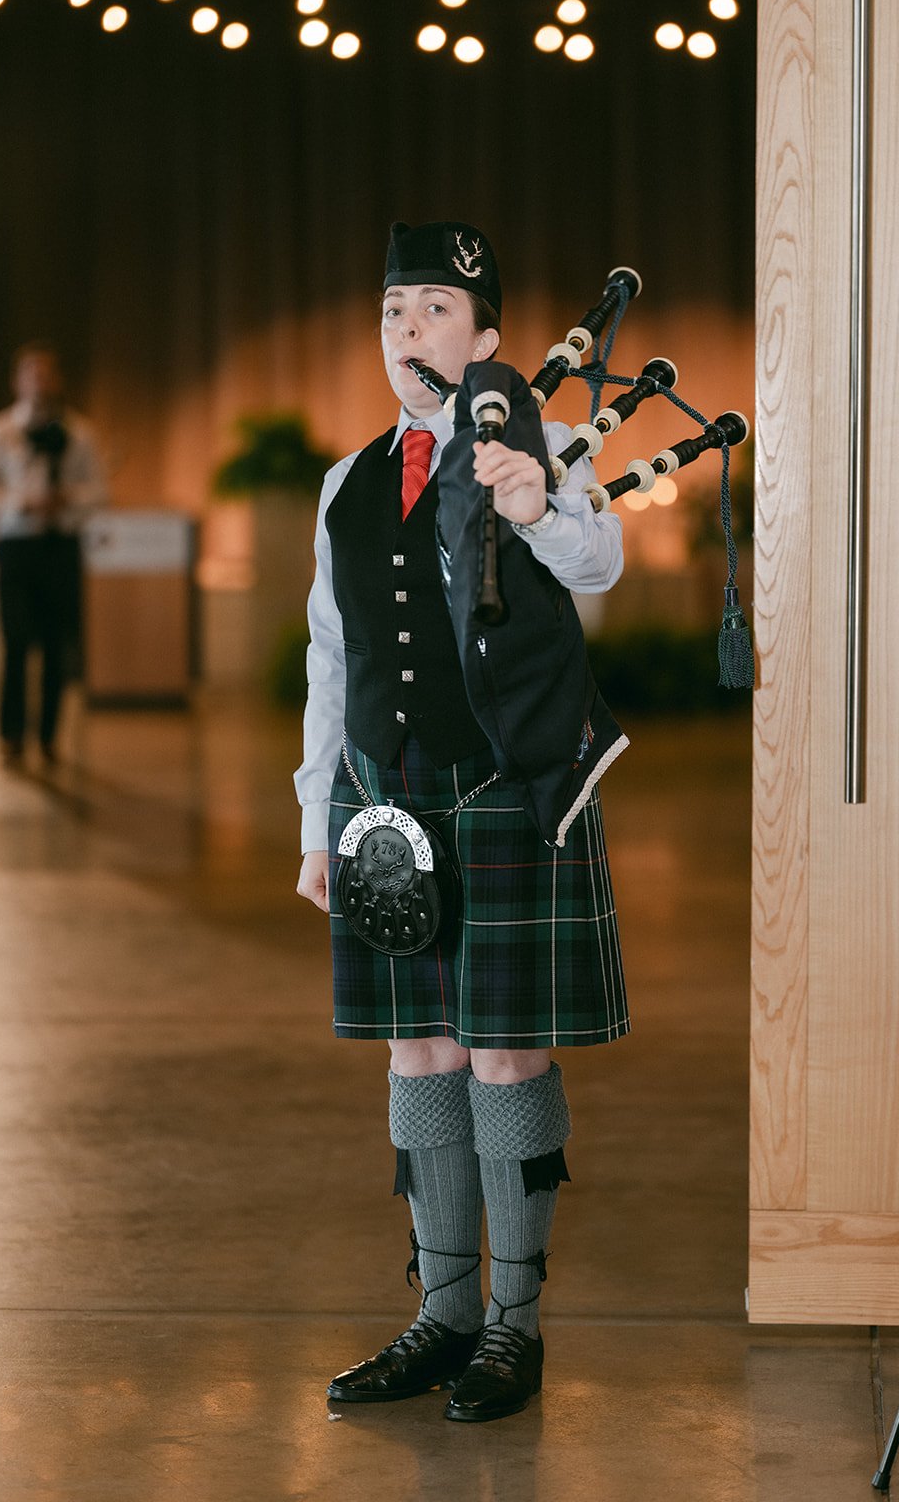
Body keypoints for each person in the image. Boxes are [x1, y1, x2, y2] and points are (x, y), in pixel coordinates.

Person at [294, 221, 629, 1422]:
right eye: (392, 310)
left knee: (503, 1054)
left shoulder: (530, 449)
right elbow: (330, 659)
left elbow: (600, 566)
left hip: (508, 791)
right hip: (383, 797)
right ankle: (440, 1315)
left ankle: (512, 1328)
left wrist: (538, 504)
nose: (407, 330)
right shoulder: (344, 482)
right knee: (419, 1053)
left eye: (434, 308)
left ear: (487, 338)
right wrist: (313, 819)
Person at [0, 343, 107, 765]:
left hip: (59, 546)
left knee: (56, 645)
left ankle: (48, 736)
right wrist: (19, 502)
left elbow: (100, 492)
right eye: (33, 375)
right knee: (15, 640)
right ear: (18, 382)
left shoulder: (80, 434)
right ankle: (10, 735)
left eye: (47, 375)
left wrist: (67, 499)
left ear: (57, 381)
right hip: (15, 548)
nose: (40, 383)